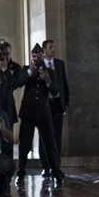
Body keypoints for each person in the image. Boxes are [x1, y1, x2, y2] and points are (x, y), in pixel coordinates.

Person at [16, 43, 62, 186]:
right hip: (28, 112)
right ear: (31, 57)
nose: (37, 59)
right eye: (34, 57)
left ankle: (56, 172)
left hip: (43, 113)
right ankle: (21, 173)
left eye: (39, 56)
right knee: (24, 145)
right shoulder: (26, 69)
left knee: (50, 144)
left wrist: (47, 80)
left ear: (43, 55)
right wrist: (30, 70)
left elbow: (56, 92)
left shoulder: (49, 71)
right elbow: (18, 83)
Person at [38, 39, 69, 179]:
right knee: (43, 138)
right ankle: (45, 167)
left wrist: (65, 103)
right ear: (44, 50)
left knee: (57, 137)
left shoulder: (60, 64)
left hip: (57, 104)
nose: (53, 49)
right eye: (50, 47)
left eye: (54, 47)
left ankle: (56, 166)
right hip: (44, 105)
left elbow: (64, 84)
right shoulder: (39, 65)